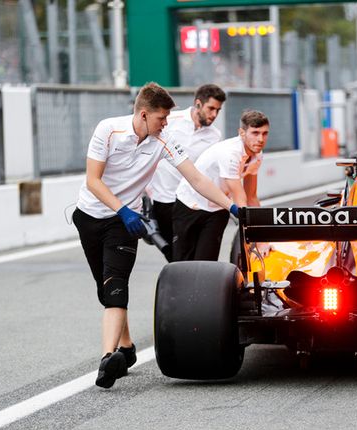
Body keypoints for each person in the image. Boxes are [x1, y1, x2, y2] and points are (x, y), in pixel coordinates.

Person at [72, 83, 240, 389]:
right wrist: (122, 208)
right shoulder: (107, 130)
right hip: (91, 216)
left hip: (124, 223)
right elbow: (93, 181)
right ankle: (126, 348)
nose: (166, 124)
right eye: (161, 118)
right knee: (104, 288)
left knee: (115, 286)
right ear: (144, 114)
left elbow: (197, 178)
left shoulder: (164, 140)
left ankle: (107, 358)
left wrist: (230, 206)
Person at [172, 110, 269, 262]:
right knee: (182, 262)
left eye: (264, 133)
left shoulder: (257, 155)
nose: (261, 139)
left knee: (207, 262)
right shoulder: (230, 153)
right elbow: (240, 199)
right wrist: (258, 240)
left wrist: (263, 240)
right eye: (255, 133)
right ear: (242, 133)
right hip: (190, 204)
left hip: (218, 207)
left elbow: (251, 197)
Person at [145, 84, 226, 261]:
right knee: (174, 256)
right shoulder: (169, 121)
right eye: (211, 108)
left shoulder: (215, 136)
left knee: (197, 258)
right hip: (164, 200)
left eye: (218, 110)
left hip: (192, 203)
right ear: (198, 104)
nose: (214, 115)